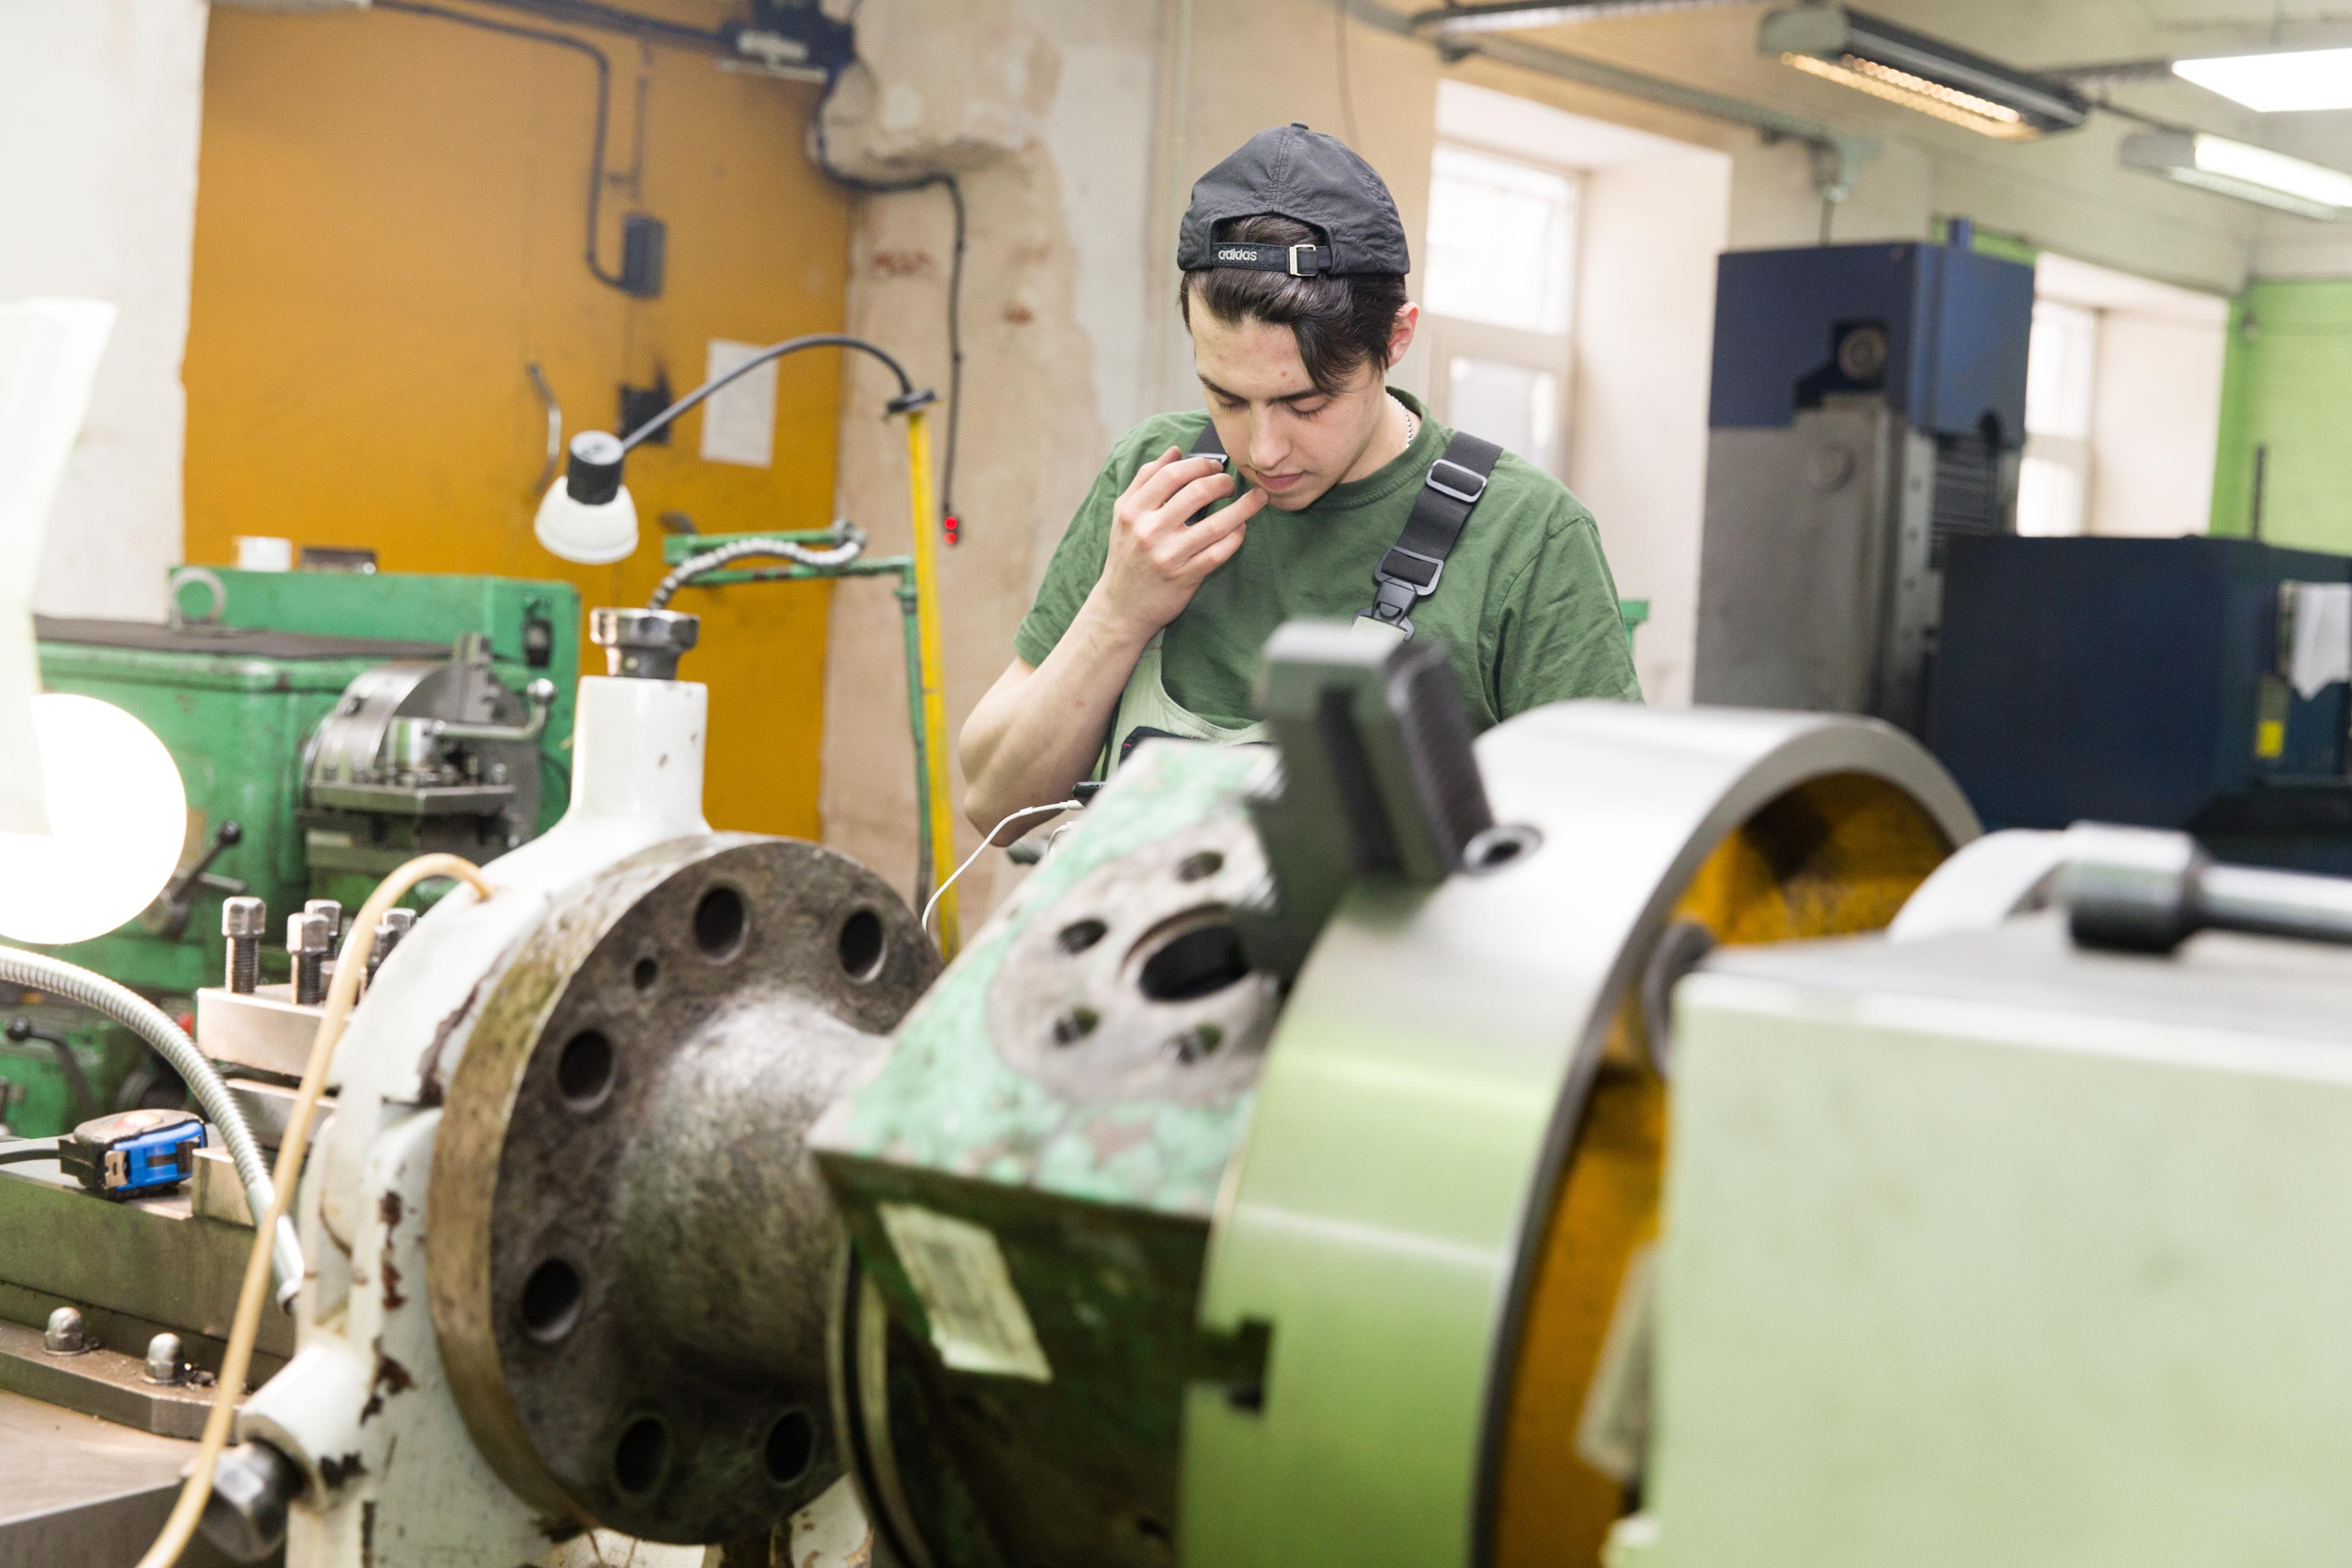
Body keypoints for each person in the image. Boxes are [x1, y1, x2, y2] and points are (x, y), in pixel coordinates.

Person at [960, 122, 1641, 836]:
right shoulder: (1153, 484)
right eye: (1226, 397)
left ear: (1397, 340)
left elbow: (1608, 848)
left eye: (1305, 403)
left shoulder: (1526, 537)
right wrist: (1118, 611)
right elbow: (996, 808)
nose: (1264, 448)